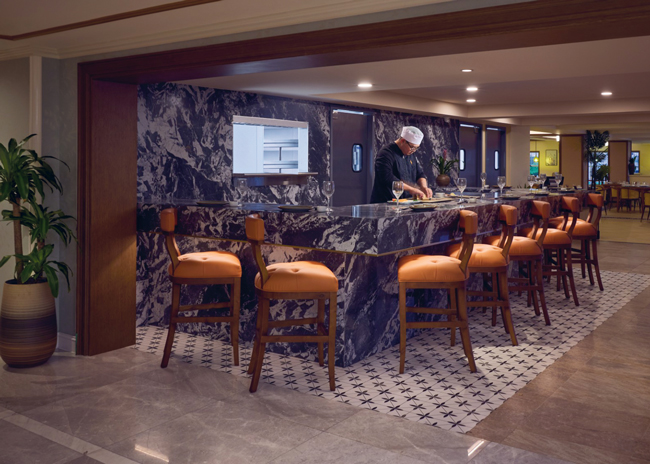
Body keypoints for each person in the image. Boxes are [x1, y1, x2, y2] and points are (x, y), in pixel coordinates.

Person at [370, 126, 433, 203]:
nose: (414, 151)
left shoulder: (410, 154)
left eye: (416, 148)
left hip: (405, 203)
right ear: (403, 141)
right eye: (412, 147)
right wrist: (411, 189)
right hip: (385, 203)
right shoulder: (386, 153)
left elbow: (420, 174)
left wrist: (424, 187)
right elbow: (387, 178)